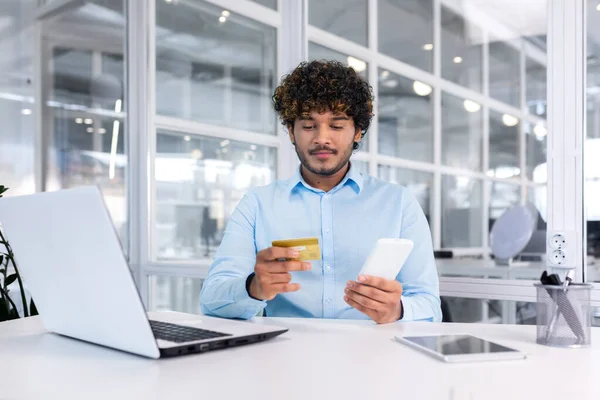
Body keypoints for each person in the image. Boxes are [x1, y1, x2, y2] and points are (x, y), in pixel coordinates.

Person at [200, 60, 441, 323]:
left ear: (358, 132)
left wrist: (397, 311)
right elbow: (211, 300)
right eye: (308, 125)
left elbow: (429, 305)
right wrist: (253, 288)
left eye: (336, 126)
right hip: (283, 358)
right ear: (291, 132)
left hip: (373, 357)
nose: (321, 138)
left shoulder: (399, 204)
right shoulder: (257, 205)